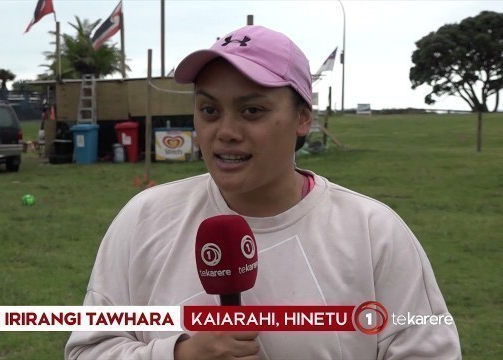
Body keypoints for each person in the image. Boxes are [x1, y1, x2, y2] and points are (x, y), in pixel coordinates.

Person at [65, 25, 461, 360]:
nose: (226, 131)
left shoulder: (374, 232)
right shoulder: (145, 218)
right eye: (209, 111)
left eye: (252, 111)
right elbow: (87, 350)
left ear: (303, 117)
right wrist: (178, 352)